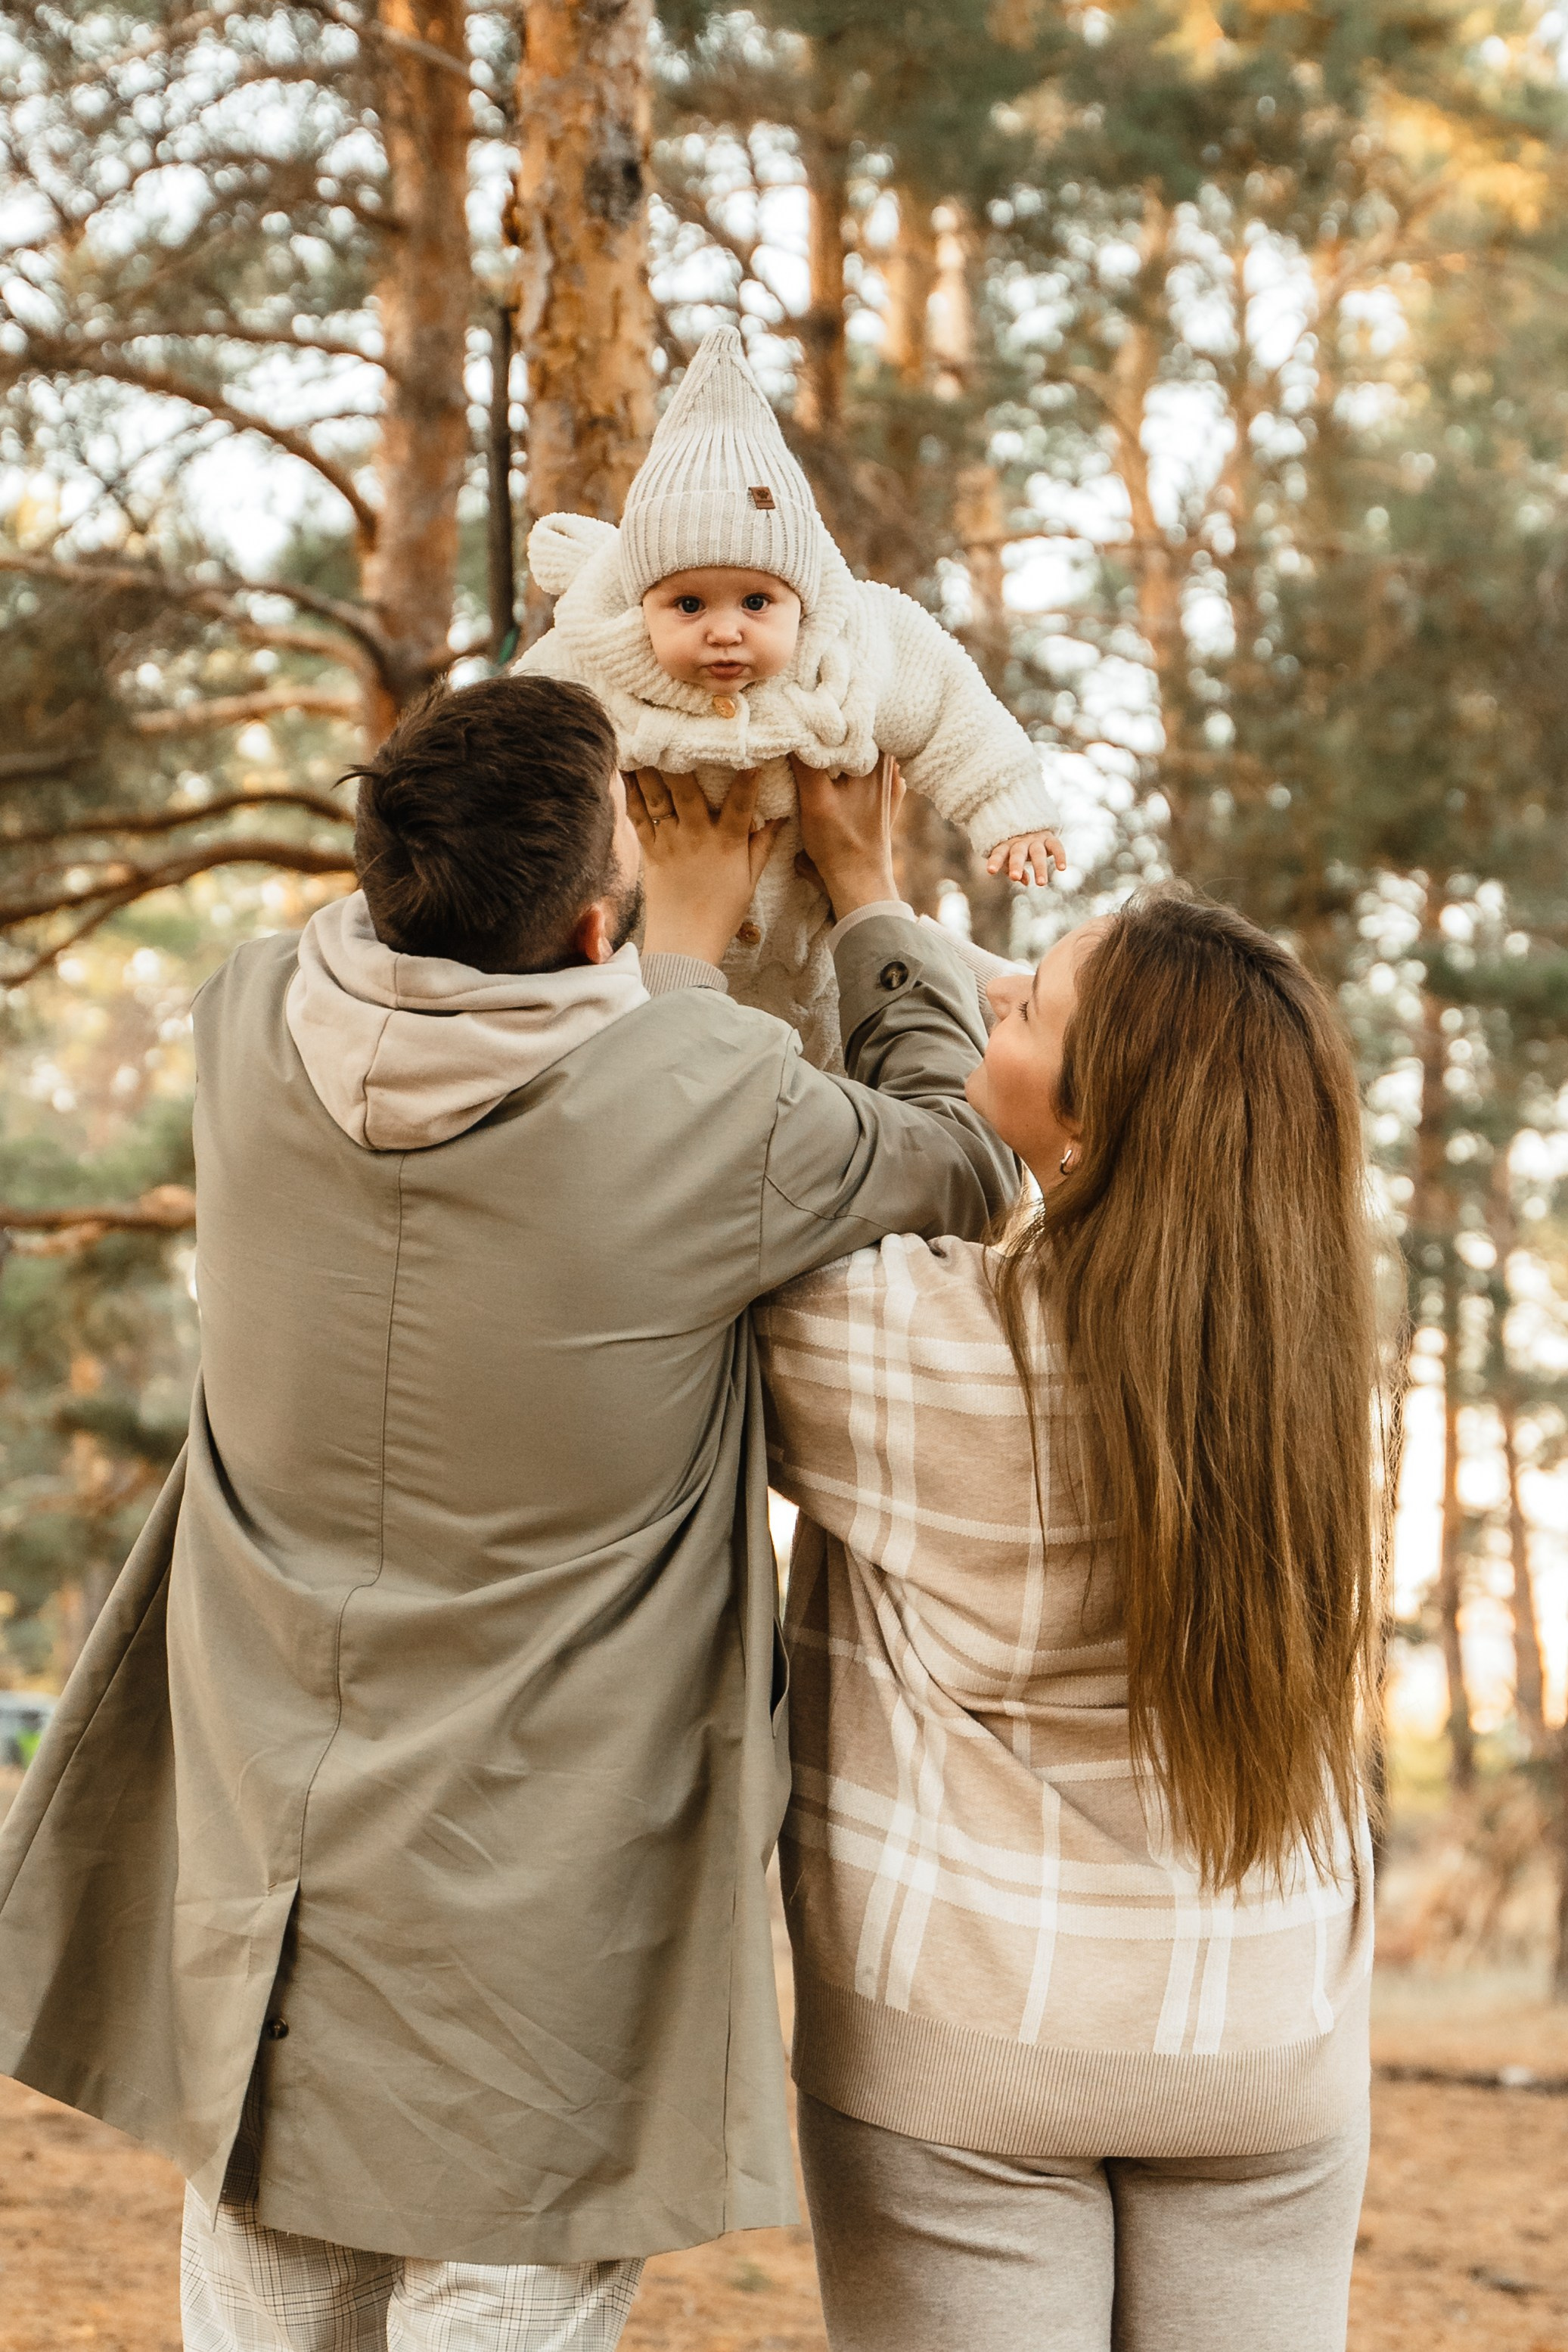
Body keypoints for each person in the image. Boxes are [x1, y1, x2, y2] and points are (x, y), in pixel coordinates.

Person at [0, 674, 1017, 2352]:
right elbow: (963, 1164)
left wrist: (646, 948)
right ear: (592, 918)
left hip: (275, 1907)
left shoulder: (249, 1021)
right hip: (538, 1947)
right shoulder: (712, 1097)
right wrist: (866, 890)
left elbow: (522, 1030)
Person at [756, 887, 1380, 2352]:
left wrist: (849, 912)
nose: (992, 998)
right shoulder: (1310, 1359)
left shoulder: (910, 1337)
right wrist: (873, 898)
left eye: (1029, 1004)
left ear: (1093, 1131)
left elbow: (723, 1177)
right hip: (1261, 2032)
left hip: (971, 2043)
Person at [520, 323, 1063, 1067]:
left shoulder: (856, 643)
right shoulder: (594, 654)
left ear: (801, 598)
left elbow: (947, 704)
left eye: (755, 602)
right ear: (639, 599)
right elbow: (507, 745)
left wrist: (1007, 807)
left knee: (819, 1061)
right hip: (647, 961)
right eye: (688, 605)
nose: (724, 632)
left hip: (808, 951)